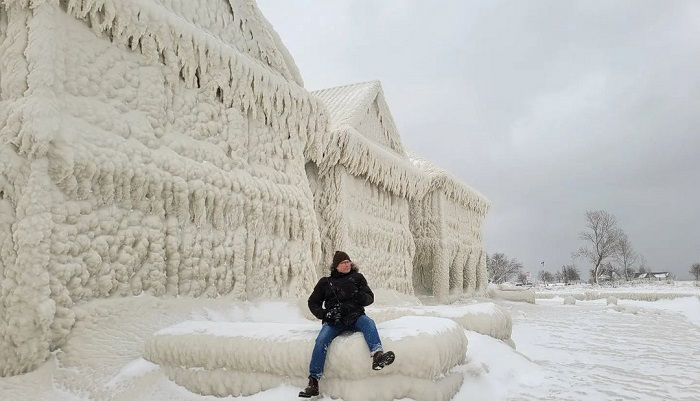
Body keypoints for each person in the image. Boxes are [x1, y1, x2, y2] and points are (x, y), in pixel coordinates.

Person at [298, 251, 395, 398]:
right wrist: (325, 315)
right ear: (336, 266)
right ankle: (313, 382)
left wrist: (357, 295)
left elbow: (370, 299)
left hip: (355, 316)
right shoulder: (325, 282)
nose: (347, 264)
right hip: (334, 321)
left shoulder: (358, 278)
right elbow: (313, 302)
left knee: (369, 323)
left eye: (348, 262)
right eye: (343, 263)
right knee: (321, 341)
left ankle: (377, 356)